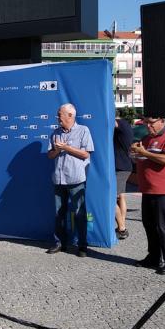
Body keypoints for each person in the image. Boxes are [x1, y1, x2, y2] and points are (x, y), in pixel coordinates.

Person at [131, 116, 165, 275]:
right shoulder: (145, 139)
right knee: (149, 225)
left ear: (162, 122)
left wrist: (144, 152)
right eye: (146, 123)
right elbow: (140, 157)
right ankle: (154, 257)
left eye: (151, 123)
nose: (148, 126)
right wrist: (134, 152)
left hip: (164, 190)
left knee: (163, 226)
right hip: (147, 189)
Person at [46, 104, 94, 258]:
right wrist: (58, 150)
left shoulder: (83, 131)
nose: (58, 117)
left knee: (80, 214)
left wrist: (66, 148)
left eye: (60, 114)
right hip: (59, 180)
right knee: (58, 213)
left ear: (70, 115)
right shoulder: (55, 133)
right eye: (58, 114)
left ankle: (82, 246)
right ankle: (60, 243)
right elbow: (50, 156)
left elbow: (86, 154)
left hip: (75, 179)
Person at [114, 116, 134, 240]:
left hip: (120, 167)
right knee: (121, 196)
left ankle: (122, 229)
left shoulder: (121, 124)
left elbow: (113, 123)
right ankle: (122, 225)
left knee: (112, 198)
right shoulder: (126, 126)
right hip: (124, 166)